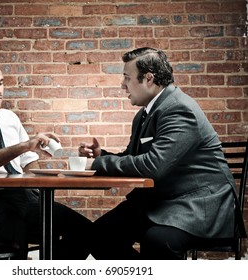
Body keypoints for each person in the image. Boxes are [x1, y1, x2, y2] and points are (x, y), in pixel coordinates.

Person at [79, 47, 246, 260]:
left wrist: (96, 165)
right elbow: (134, 156)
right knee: (98, 236)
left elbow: (152, 166)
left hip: (197, 206)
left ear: (149, 78)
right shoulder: (144, 113)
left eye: (127, 78)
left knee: (157, 240)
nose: (122, 85)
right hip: (162, 202)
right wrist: (101, 155)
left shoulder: (179, 109)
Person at [0, 55, 92, 259]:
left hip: (25, 197)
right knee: (18, 231)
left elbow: (27, 162)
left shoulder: (10, 118)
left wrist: (39, 173)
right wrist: (24, 146)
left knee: (81, 228)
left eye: (1, 83)